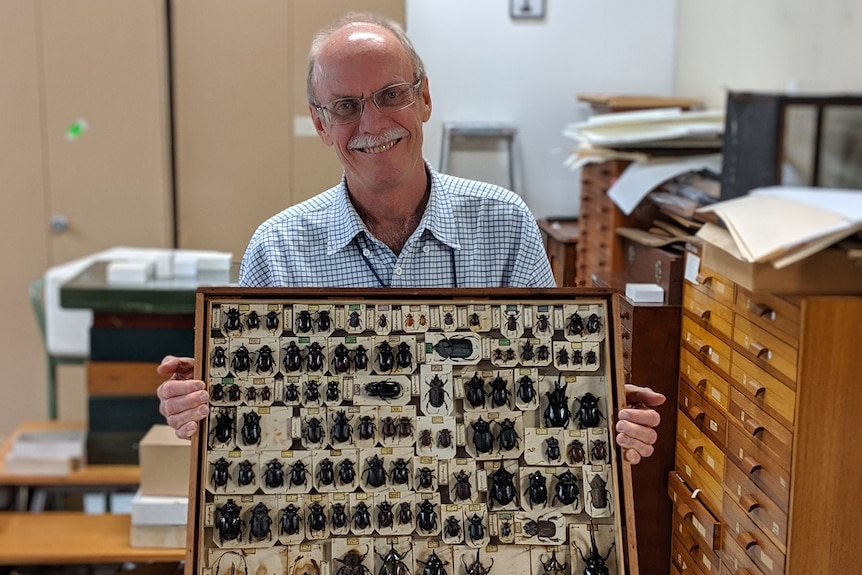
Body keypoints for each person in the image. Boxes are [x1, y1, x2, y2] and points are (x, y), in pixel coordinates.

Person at [157, 12, 664, 463]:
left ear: (423, 98)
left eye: (391, 95)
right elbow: (255, 413)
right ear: (321, 124)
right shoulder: (277, 249)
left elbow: (549, 379)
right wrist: (200, 407)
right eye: (346, 106)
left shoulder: (506, 224)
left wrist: (607, 419)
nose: (373, 122)